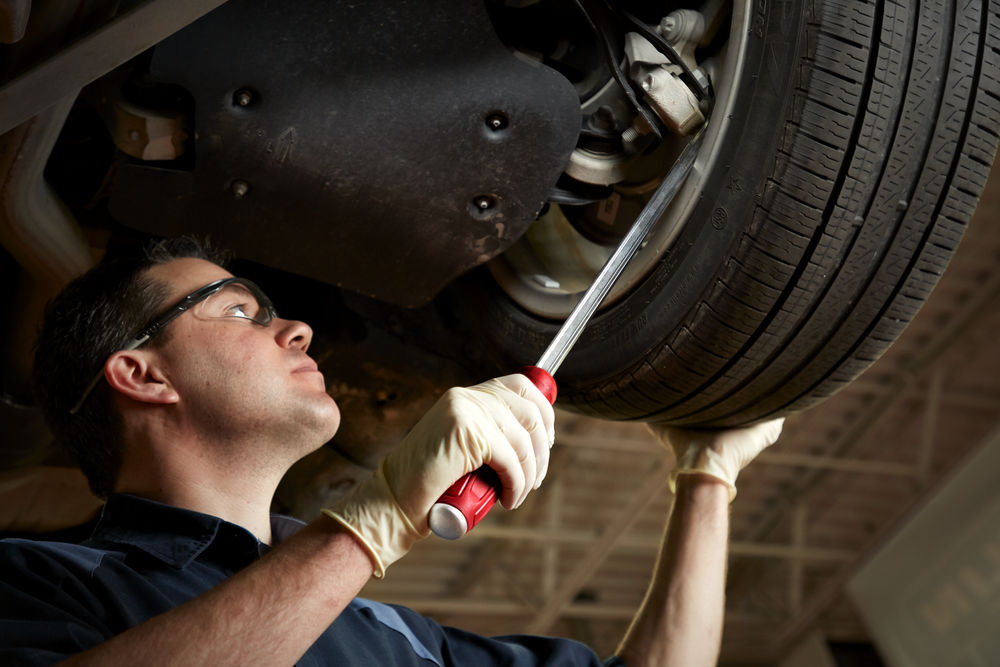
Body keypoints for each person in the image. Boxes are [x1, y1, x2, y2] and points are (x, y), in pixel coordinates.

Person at [0, 237, 783, 666]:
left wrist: (707, 473)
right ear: (142, 373)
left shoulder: (392, 637)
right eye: (238, 310)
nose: (295, 328)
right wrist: (370, 525)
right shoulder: (37, 580)